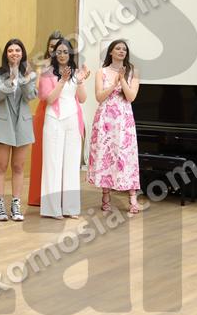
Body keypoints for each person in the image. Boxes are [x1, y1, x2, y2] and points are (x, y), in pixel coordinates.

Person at [87, 39, 141, 214]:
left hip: (124, 119)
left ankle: (132, 197)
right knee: (106, 154)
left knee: (126, 155)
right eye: (117, 48)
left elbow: (131, 97)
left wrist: (122, 79)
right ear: (110, 52)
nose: (121, 51)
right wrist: (113, 83)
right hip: (105, 119)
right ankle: (105, 196)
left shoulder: (132, 71)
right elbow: (99, 97)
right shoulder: (101, 72)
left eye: (124, 49)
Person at [38, 38, 89, 219]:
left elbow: (82, 99)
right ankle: (52, 209)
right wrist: (62, 81)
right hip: (54, 120)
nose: (62, 55)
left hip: (72, 120)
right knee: (53, 163)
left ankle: (70, 208)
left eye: (65, 52)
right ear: (54, 53)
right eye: (58, 52)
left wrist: (79, 81)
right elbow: (49, 99)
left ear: (70, 54)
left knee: (72, 164)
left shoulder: (75, 73)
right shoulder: (47, 73)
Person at [0, 39, 38, 222]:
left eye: (18, 50)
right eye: (10, 50)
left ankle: (16, 205)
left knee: (18, 167)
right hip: (3, 123)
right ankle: (0, 204)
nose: (14, 53)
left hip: (22, 124)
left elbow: (30, 95)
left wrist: (24, 78)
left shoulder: (30, 74)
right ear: (6, 54)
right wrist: (10, 79)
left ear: (22, 53)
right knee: (1, 166)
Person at [27, 31, 65, 206]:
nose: (54, 49)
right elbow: (38, 91)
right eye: (51, 46)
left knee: (59, 156)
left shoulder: (68, 66)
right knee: (41, 154)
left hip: (64, 112)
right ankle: (39, 196)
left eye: (58, 46)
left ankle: (58, 196)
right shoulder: (43, 66)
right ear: (48, 48)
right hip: (45, 111)